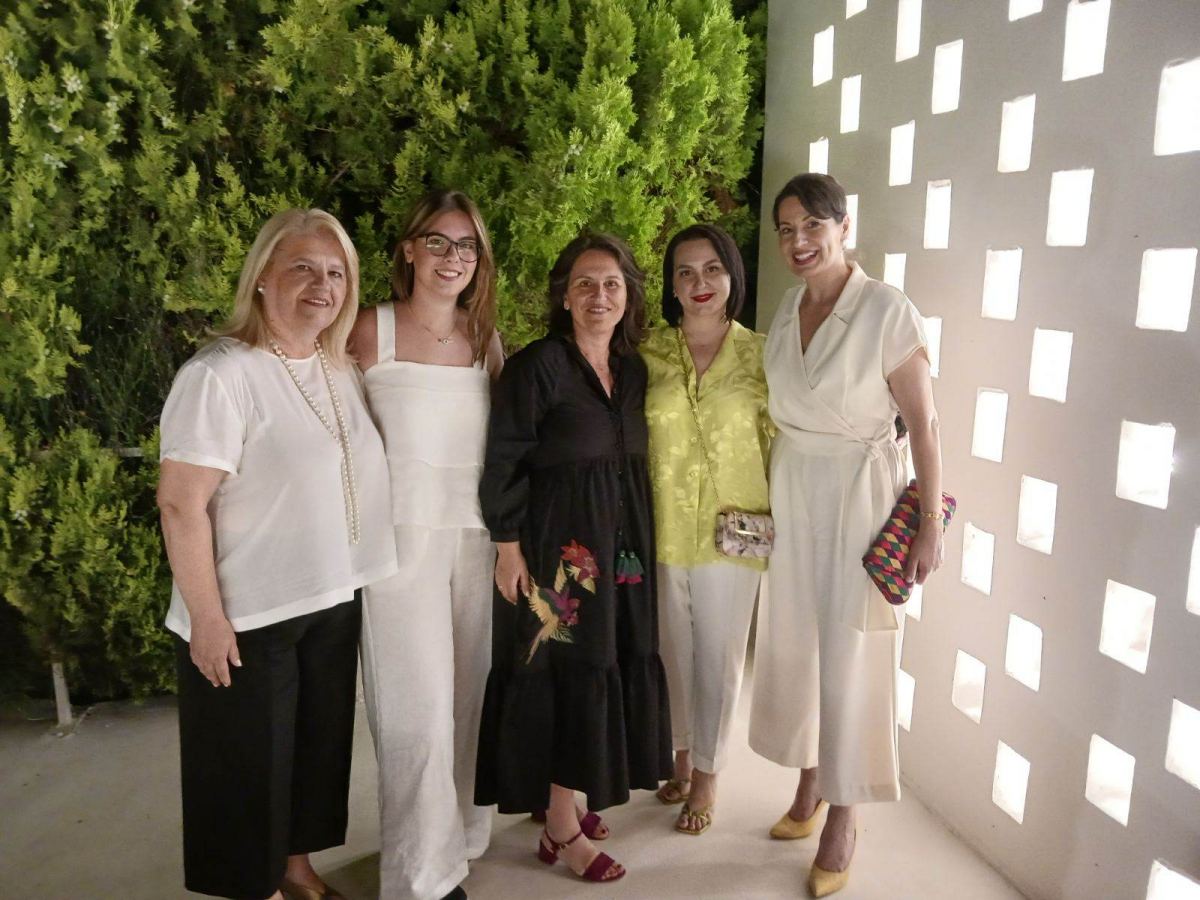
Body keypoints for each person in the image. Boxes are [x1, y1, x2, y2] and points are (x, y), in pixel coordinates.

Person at [157, 209, 398, 900]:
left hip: (329, 594)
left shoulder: (336, 365)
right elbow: (180, 504)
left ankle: (295, 869)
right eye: (303, 269)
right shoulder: (220, 374)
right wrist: (207, 619)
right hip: (247, 611)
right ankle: (254, 886)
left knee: (315, 751)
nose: (323, 286)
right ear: (262, 277)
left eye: (336, 273)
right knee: (245, 767)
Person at [748, 173, 944, 898]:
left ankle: (845, 813)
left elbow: (924, 424)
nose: (799, 241)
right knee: (797, 638)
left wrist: (928, 523)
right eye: (786, 229)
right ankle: (810, 780)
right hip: (794, 486)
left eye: (812, 225)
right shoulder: (787, 309)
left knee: (853, 648)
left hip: (862, 493)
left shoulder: (887, 310)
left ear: (843, 227)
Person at [475, 233, 673, 883]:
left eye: (612, 284)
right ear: (563, 296)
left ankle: (566, 803)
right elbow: (503, 459)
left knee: (605, 662)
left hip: (622, 551)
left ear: (628, 295)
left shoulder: (634, 370)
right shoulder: (538, 367)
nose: (599, 295)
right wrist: (507, 548)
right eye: (584, 283)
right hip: (560, 552)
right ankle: (561, 826)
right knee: (568, 673)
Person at [347, 189, 503, 900]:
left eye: (467, 246)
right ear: (408, 249)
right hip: (398, 545)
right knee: (416, 711)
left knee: (468, 701)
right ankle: (420, 877)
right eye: (437, 241)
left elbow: (506, 447)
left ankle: (459, 839)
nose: (452, 258)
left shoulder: (484, 337)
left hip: (475, 539)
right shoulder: (368, 330)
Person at [640, 224, 771, 836]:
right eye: (686, 271)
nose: (700, 282)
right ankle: (681, 756)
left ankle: (710, 773)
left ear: (732, 276)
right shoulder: (647, 353)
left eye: (712, 269)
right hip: (662, 524)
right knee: (671, 651)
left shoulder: (763, 354)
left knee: (720, 655)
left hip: (738, 530)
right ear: (671, 284)